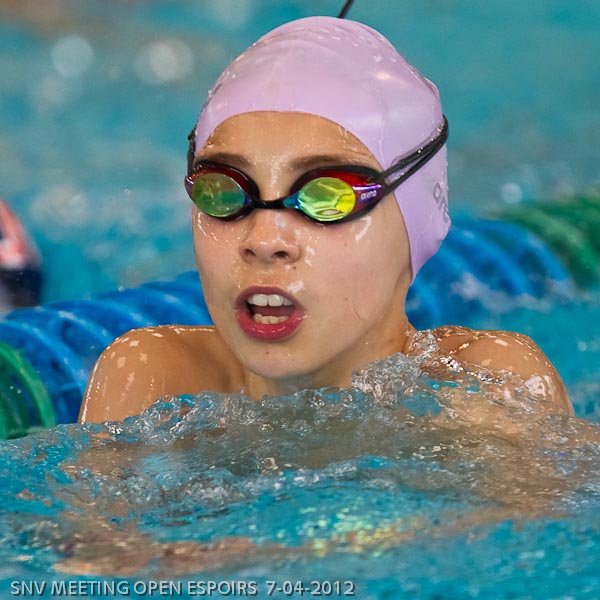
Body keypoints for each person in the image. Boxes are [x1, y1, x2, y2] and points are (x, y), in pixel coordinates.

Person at [79, 16, 572, 426]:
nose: (264, 239)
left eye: (326, 196)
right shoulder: (155, 382)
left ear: (417, 222)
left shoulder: (488, 388)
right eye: (225, 191)